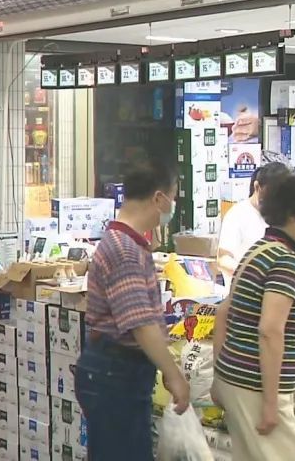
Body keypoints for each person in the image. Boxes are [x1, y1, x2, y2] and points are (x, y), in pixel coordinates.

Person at [76, 161, 190, 461]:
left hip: (117, 370)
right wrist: (174, 374)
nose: (173, 205)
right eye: (173, 196)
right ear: (158, 198)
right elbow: (141, 324)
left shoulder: (128, 243)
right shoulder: (124, 250)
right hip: (115, 372)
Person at [212, 173, 295, 461]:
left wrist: (218, 376)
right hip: (255, 388)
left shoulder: (258, 249)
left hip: (235, 380)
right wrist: (271, 403)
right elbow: (270, 331)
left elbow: (223, 313)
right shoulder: (284, 260)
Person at [216, 162, 290, 284]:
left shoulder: (282, 216)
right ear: (257, 187)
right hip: (244, 289)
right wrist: (251, 274)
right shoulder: (238, 214)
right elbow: (223, 260)